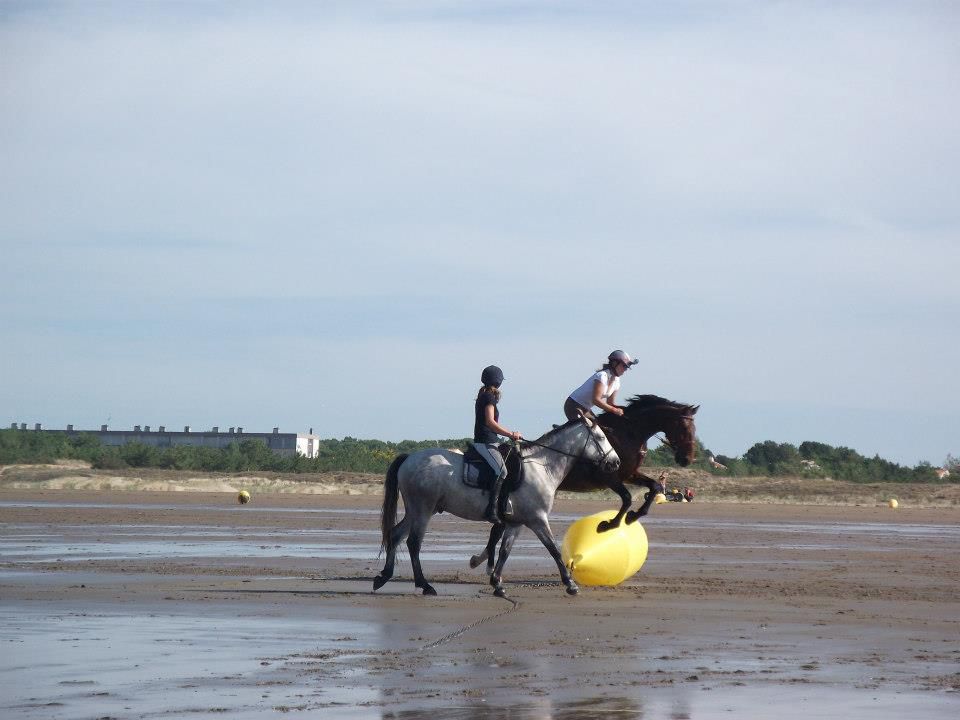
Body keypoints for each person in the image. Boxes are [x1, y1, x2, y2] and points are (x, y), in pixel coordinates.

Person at [473, 365, 523, 523]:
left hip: (490, 440)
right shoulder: (489, 397)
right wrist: (511, 434)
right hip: (485, 441)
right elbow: (490, 422)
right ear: (498, 381)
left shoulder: (484, 395)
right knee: (502, 472)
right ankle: (491, 510)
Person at [564, 350, 638, 421]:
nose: (625, 369)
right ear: (614, 363)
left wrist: (626, 411)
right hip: (573, 405)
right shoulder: (602, 376)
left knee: (599, 427)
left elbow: (610, 403)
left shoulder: (617, 382)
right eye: (624, 366)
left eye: (626, 367)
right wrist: (614, 410)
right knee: (586, 428)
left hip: (586, 408)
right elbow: (596, 400)